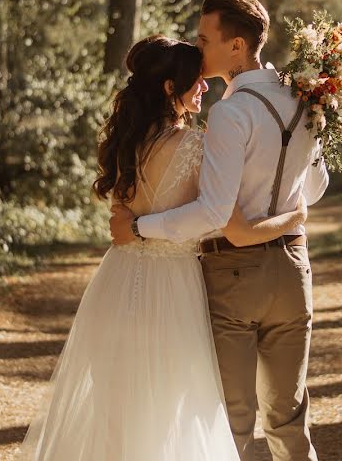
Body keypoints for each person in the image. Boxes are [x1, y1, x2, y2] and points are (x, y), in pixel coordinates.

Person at [18, 35, 308, 460]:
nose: (204, 87)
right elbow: (229, 223)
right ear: (170, 88)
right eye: (195, 81)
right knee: (173, 407)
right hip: (172, 288)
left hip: (115, 282)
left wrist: (135, 228)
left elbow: (121, 221)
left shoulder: (124, 142)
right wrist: (294, 217)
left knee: (119, 408)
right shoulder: (198, 146)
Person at [110, 0, 329, 461]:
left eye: (205, 38)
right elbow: (314, 189)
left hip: (234, 274)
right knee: (290, 418)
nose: (198, 48)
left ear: (236, 46)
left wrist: (141, 227)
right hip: (294, 268)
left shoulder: (230, 112)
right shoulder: (306, 99)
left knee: (230, 422)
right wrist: (288, 216)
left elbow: (213, 213)